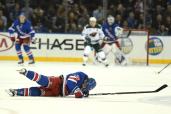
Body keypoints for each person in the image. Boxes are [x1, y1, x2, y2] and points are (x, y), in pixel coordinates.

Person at [6, 68, 96, 98]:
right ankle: (26, 72)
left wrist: (84, 92)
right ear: (86, 81)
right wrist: (78, 91)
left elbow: (80, 93)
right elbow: (70, 83)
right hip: (59, 82)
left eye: (86, 87)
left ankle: (15, 92)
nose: (84, 87)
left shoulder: (83, 87)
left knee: (38, 92)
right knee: (44, 80)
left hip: (56, 93)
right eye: (85, 85)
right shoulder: (81, 75)